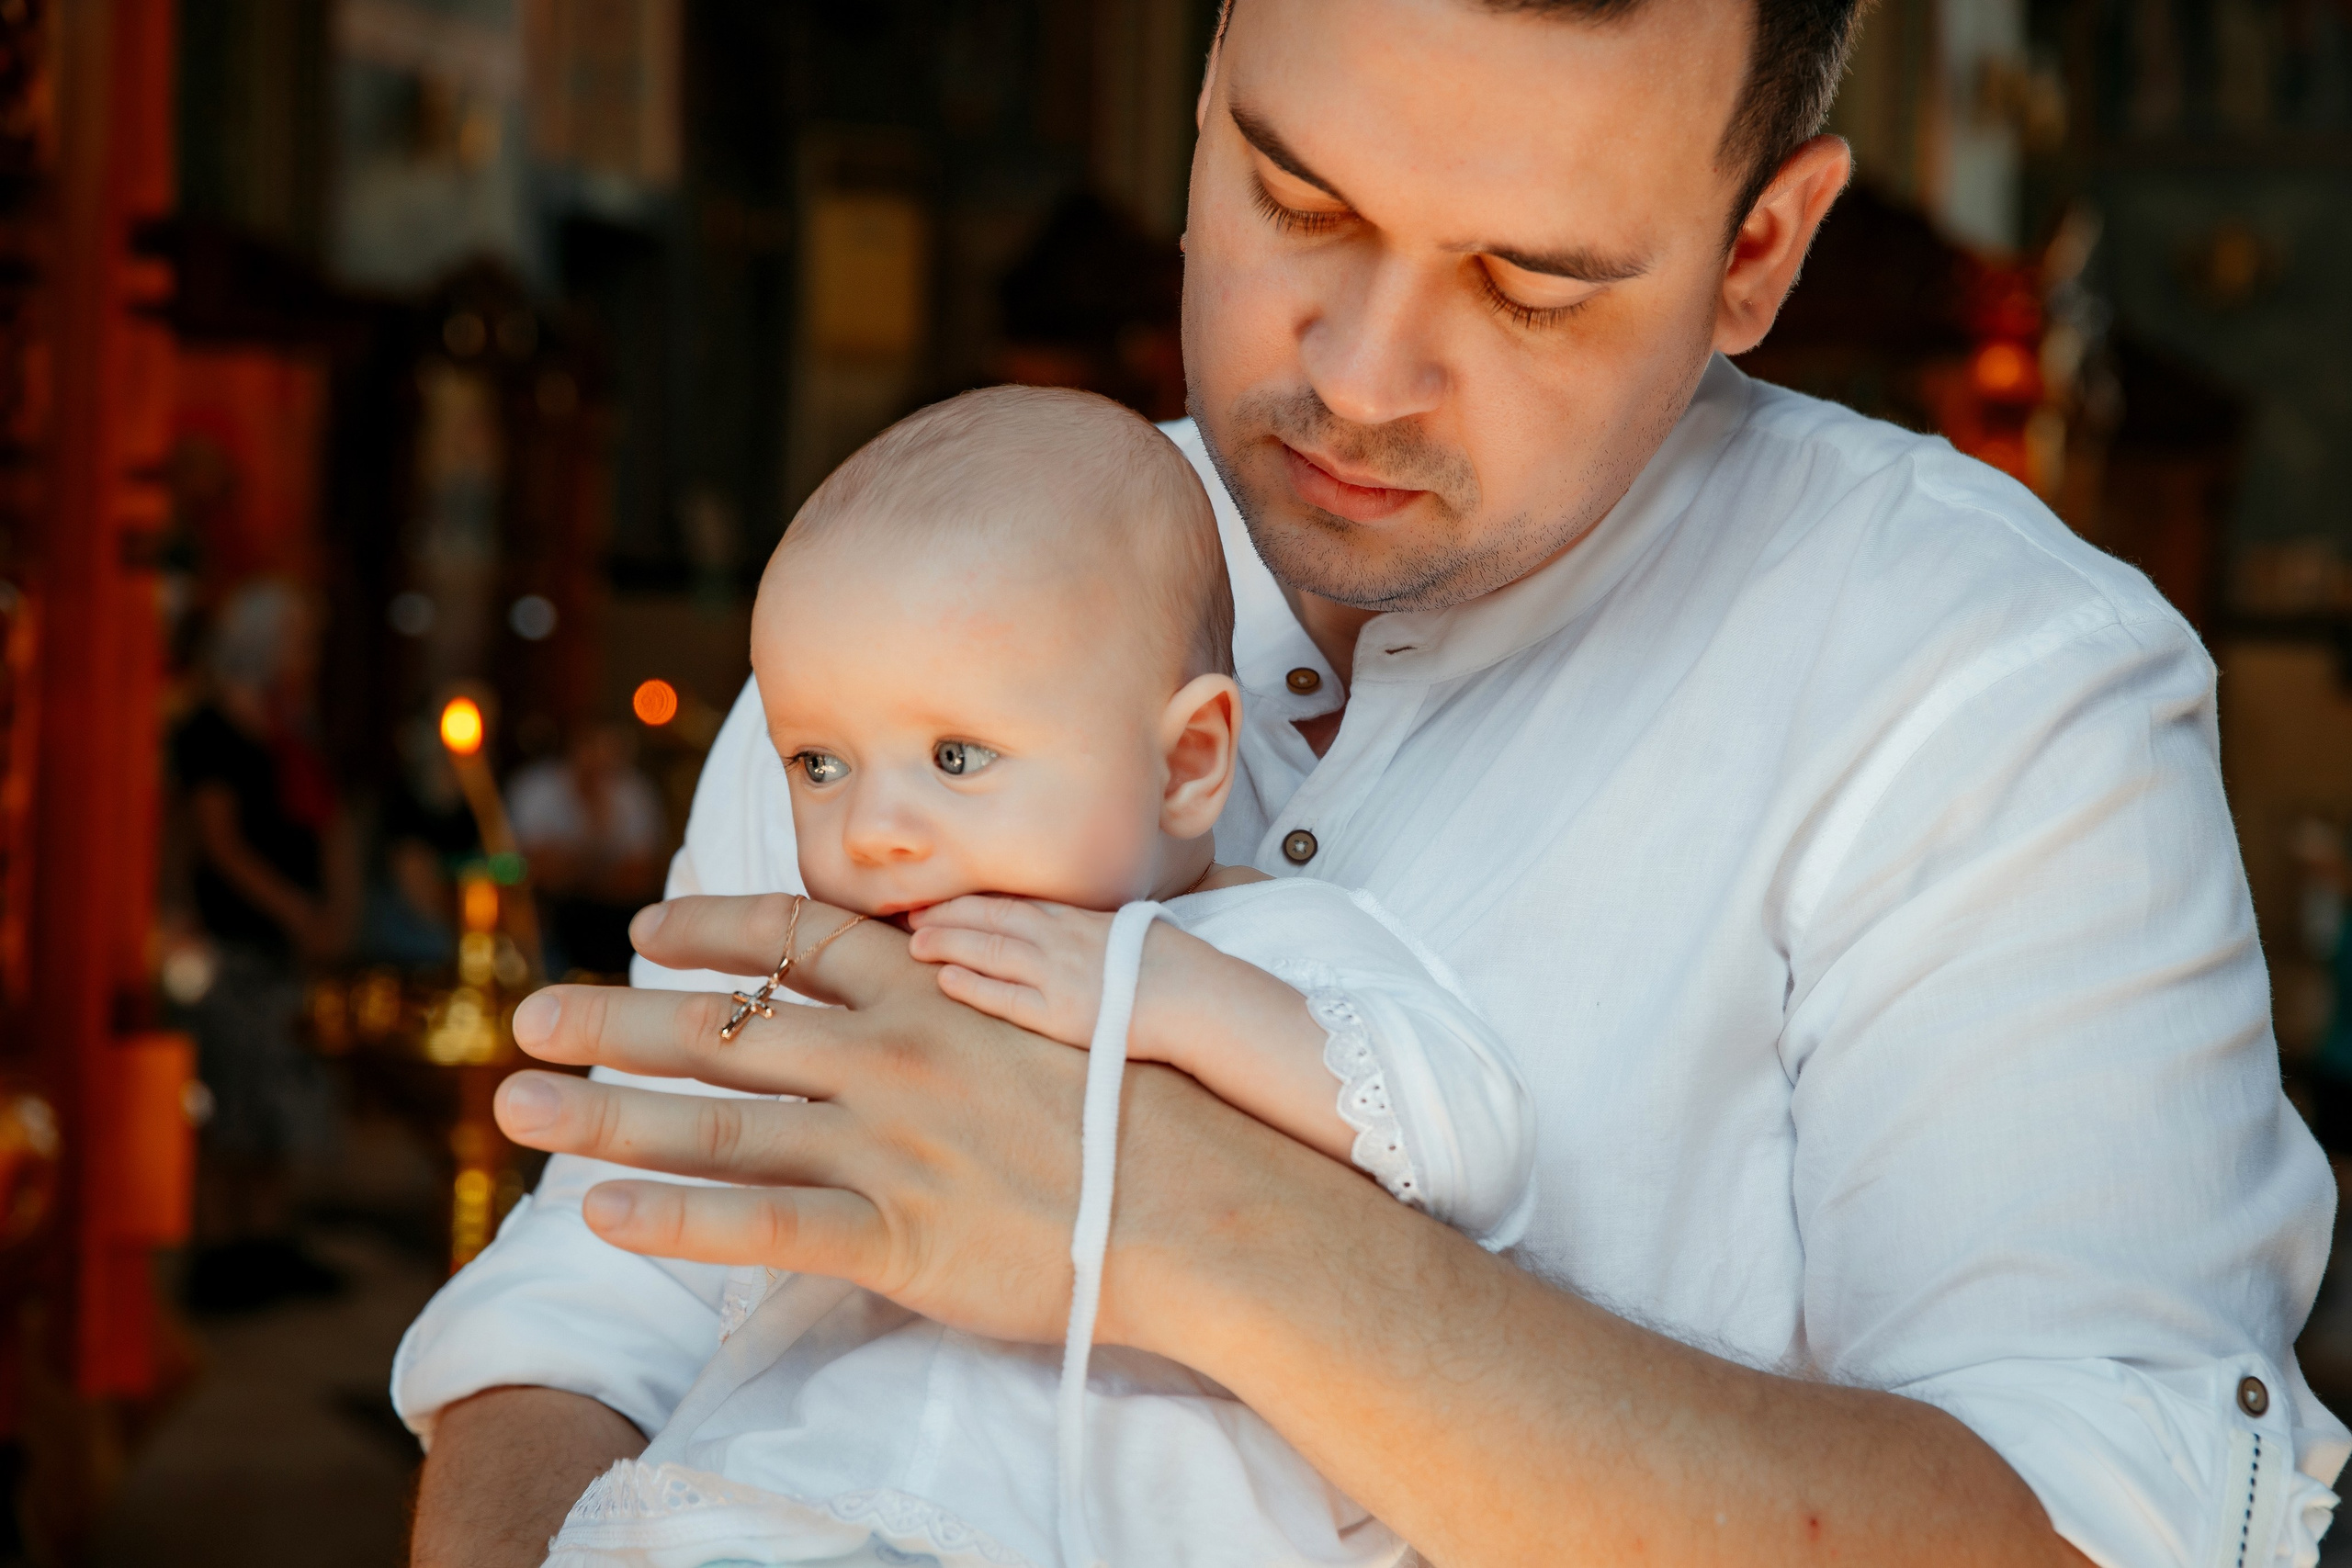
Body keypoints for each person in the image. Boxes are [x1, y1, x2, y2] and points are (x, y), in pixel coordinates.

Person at [399, 2, 2347, 1564]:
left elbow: (2096, 1530)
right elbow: (596, 1312)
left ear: (1756, 249)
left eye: (1528, 283)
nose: (1358, 373)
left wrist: (1169, 1217)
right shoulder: (942, 587)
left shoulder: (1997, 698)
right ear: (1205, 97)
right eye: (1296, 200)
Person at [537, 387, 1531, 1567]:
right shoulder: (858, 967)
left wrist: (1158, 993)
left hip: (1124, 1520)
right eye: (819, 764)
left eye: (956, 757)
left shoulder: (1263, 948)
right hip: (806, 1491)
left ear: (1187, 763)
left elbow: (1473, 1143)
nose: (873, 831)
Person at [170, 579, 354, 1311]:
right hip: (229, 941)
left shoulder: (289, 726)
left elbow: (323, 823)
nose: (308, 652)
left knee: (282, 1093)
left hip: (286, 945)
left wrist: (330, 910)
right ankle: (220, 1249)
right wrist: (293, 909)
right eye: (298, 638)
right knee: (230, 1099)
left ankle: (268, 1238)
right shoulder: (210, 729)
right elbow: (217, 842)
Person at [507, 723, 668, 976]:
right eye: (589, 748)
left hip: (614, 918)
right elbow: (534, 871)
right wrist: (603, 866)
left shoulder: (635, 793)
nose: (597, 759)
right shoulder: (535, 788)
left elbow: (639, 879)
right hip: (551, 914)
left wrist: (574, 865)